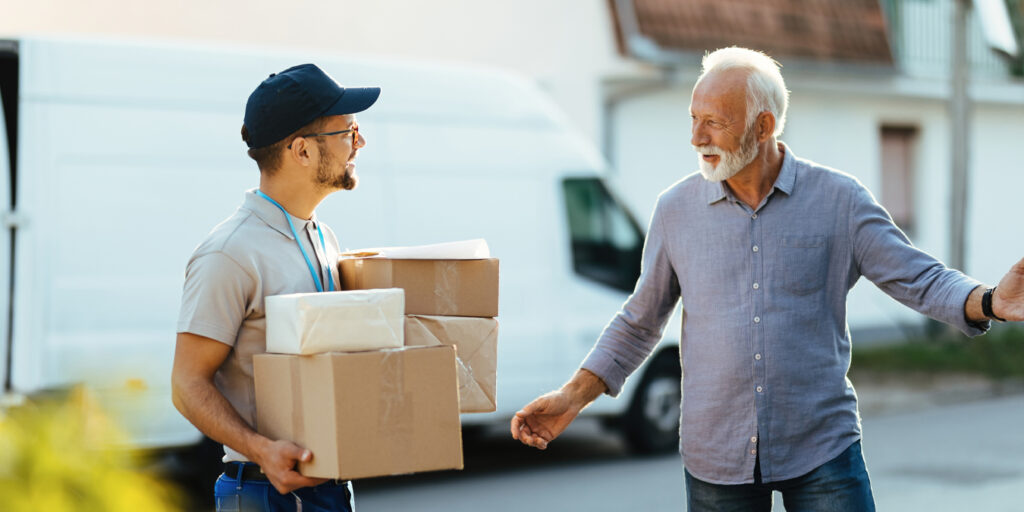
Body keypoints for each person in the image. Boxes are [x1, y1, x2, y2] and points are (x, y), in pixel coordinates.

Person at [511, 46, 1024, 511]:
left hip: (821, 446)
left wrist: (991, 301)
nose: (696, 137)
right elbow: (639, 321)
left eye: (713, 121)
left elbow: (920, 277)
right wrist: (572, 396)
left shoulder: (840, 201)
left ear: (763, 128)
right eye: (693, 119)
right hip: (716, 454)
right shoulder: (676, 210)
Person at [172, 63, 380, 511]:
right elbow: (187, 384)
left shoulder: (323, 237)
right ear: (302, 151)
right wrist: (261, 448)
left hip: (329, 488)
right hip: (265, 491)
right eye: (348, 131)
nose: (360, 143)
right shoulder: (229, 253)